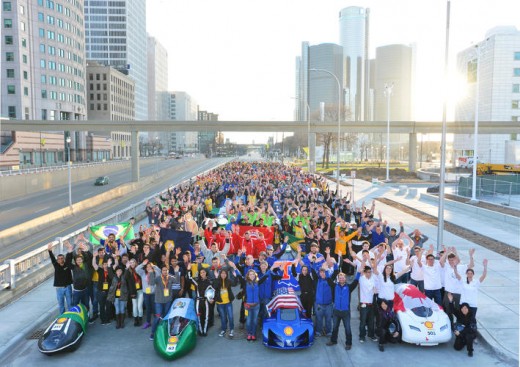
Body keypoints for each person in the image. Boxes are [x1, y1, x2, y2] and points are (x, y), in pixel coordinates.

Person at [326, 269, 360, 350]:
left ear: (345, 279)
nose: (341, 279)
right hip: (336, 312)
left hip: (346, 312)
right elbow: (328, 279)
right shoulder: (334, 286)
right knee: (335, 327)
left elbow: (356, 281)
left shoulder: (349, 287)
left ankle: (348, 343)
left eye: (343, 278)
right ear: (338, 279)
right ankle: (333, 341)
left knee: (347, 328)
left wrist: (359, 272)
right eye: (340, 278)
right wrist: (326, 270)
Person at [150, 265, 176, 340]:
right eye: (163, 270)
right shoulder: (158, 278)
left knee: (166, 316)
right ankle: (152, 333)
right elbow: (151, 283)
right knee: (158, 317)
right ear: (161, 271)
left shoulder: (170, 277)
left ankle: (165, 331)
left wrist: (176, 271)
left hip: (168, 301)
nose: (165, 271)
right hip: (159, 301)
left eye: (166, 270)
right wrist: (151, 273)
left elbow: (177, 280)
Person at [448, 293, 477, 357]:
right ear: (461, 309)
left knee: (469, 337)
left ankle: (470, 351)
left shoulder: (472, 317)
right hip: (461, 332)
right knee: (457, 347)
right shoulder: (459, 314)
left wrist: (460, 333)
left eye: (466, 308)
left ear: (468, 309)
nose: (464, 310)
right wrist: (450, 301)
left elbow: (471, 329)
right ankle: (464, 341)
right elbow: (452, 310)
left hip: (469, 332)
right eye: (462, 308)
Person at [187, 266, 213, 336]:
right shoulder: (197, 281)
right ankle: (200, 330)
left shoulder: (209, 282)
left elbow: (213, 292)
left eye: (203, 272)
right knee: (199, 316)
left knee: (206, 316)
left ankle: (205, 331)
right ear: (200, 274)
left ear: (206, 273)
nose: (202, 274)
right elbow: (189, 278)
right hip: (198, 301)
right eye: (201, 272)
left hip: (206, 301)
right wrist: (189, 270)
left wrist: (212, 299)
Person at [92, 255, 118, 325]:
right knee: (102, 306)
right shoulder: (100, 270)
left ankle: (108, 319)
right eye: (104, 264)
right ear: (102, 265)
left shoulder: (110, 269)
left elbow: (116, 264)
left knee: (108, 305)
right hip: (101, 292)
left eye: (107, 264)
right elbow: (94, 264)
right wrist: (94, 257)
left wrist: (115, 258)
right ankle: (103, 320)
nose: (106, 266)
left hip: (109, 292)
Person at [48, 243, 73, 315]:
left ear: (64, 259)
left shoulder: (67, 265)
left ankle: (71, 317)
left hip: (68, 287)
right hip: (59, 289)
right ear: (57, 260)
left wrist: (70, 249)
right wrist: (50, 251)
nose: (60, 260)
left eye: (62, 258)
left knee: (70, 304)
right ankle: (63, 317)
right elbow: (52, 259)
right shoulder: (56, 266)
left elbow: (70, 257)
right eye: (58, 259)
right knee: (61, 305)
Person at [136, 259, 161, 330]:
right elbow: (137, 269)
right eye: (147, 267)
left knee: (154, 308)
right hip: (146, 294)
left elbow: (159, 271)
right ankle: (148, 322)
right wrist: (142, 264)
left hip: (153, 294)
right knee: (148, 308)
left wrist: (154, 266)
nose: (149, 268)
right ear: (146, 268)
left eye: (150, 267)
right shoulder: (143, 273)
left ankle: (156, 321)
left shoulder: (155, 273)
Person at [236, 269, 261, 341]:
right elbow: (239, 276)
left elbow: (266, 275)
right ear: (248, 275)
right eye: (250, 274)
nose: (252, 275)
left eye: (253, 274)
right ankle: (249, 334)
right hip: (248, 306)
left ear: (255, 275)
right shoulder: (245, 283)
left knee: (255, 321)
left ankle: (253, 334)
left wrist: (272, 268)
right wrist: (235, 268)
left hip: (256, 305)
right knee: (249, 321)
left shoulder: (258, 282)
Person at [214, 266, 237, 338]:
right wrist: (216, 278)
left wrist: (235, 277)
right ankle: (223, 329)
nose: (223, 275)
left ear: (226, 274)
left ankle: (231, 329)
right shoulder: (217, 281)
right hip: (220, 303)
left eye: (225, 273)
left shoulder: (229, 281)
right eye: (222, 273)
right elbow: (214, 286)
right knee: (223, 317)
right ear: (220, 274)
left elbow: (235, 284)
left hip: (228, 302)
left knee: (230, 316)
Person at [358, 265, 377, 343]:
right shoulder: (361, 279)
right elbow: (360, 271)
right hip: (364, 304)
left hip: (371, 304)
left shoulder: (373, 279)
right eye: (368, 272)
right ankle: (362, 336)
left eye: (370, 272)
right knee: (363, 321)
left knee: (371, 321)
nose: (370, 273)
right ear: (365, 272)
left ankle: (371, 335)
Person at [125, 258, 144, 327]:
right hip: (133, 291)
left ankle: (140, 317)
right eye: (130, 262)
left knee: (139, 306)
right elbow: (125, 278)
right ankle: (136, 319)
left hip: (140, 290)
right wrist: (127, 269)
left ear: (135, 263)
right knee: (135, 306)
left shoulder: (138, 269)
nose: (132, 264)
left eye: (133, 262)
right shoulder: (128, 271)